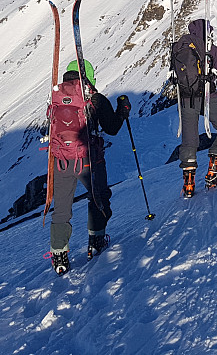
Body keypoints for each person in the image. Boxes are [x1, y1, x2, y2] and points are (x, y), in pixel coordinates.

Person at [47, 59, 130, 275]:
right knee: (98, 197)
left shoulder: (57, 98)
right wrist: (123, 110)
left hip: (62, 161)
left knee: (62, 209)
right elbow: (111, 128)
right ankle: (96, 240)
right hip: (89, 160)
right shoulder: (95, 99)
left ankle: (59, 256)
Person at [170, 19, 217, 197]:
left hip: (185, 98)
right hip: (208, 95)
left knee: (189, 140)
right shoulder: (209, 47)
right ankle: (213, 173)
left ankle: (189, 184)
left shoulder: (178, 47)